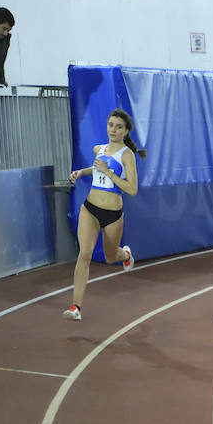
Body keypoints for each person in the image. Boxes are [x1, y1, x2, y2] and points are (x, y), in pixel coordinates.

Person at [63, 109, 144, 320]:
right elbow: (97, 166)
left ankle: (125, 255)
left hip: (113, 215)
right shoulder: (99, 148)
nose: (113, 130)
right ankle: (76, 307)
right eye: (110, 125)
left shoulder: (127, 155)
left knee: (110, 257)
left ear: (126, 131)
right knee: (85, 254)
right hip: (90, 209)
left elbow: (132, 189)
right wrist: (82, 172)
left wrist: (109, 172)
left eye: (118, 127)